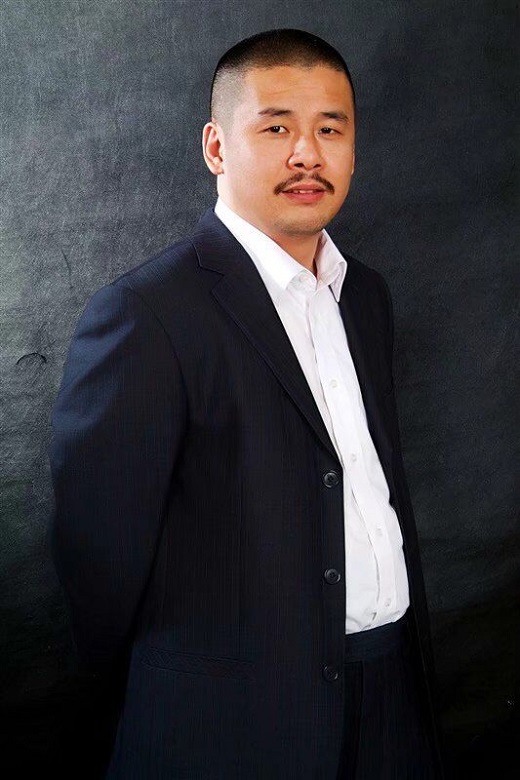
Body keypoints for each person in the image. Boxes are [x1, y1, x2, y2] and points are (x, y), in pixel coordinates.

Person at [50, 28, 444, 779]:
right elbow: (97, 558)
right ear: (216, 147)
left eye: (331, 129)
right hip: (233, 725)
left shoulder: (365, 296)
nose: (307, 154)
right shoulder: (145, 313)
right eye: (276, 128)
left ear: (353, 149)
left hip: (392, 697)